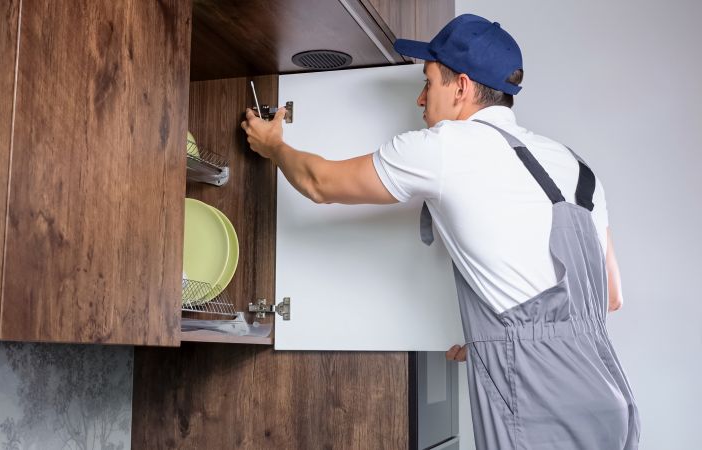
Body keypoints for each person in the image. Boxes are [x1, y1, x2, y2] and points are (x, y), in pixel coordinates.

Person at [241, 13, 640, 450]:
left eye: (428, 81)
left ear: (463, 87)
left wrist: (274, 145)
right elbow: (611, 297)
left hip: (540, 400)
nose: (420, 99)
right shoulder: (575, 165)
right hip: (609, 393)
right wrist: (498, 344)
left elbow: (320, 184)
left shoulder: (446, 147)